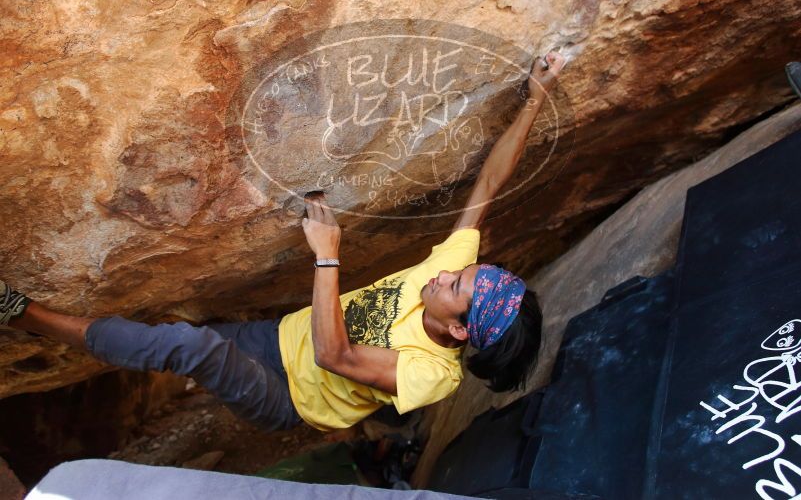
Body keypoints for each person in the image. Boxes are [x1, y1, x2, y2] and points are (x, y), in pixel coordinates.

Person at [0, 51, 567, 432]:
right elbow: (489, 184)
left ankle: (26, 315)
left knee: (189, 348)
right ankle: (136, 353)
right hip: (278, 335)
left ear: (461, 329)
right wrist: (536, 97)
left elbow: (334, 355)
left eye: (457, 284)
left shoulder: (432, 375)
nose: (445, 273)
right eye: (461, 270)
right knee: (183, 344)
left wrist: (327, 253)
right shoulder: (452, 275)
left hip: (290, 398)